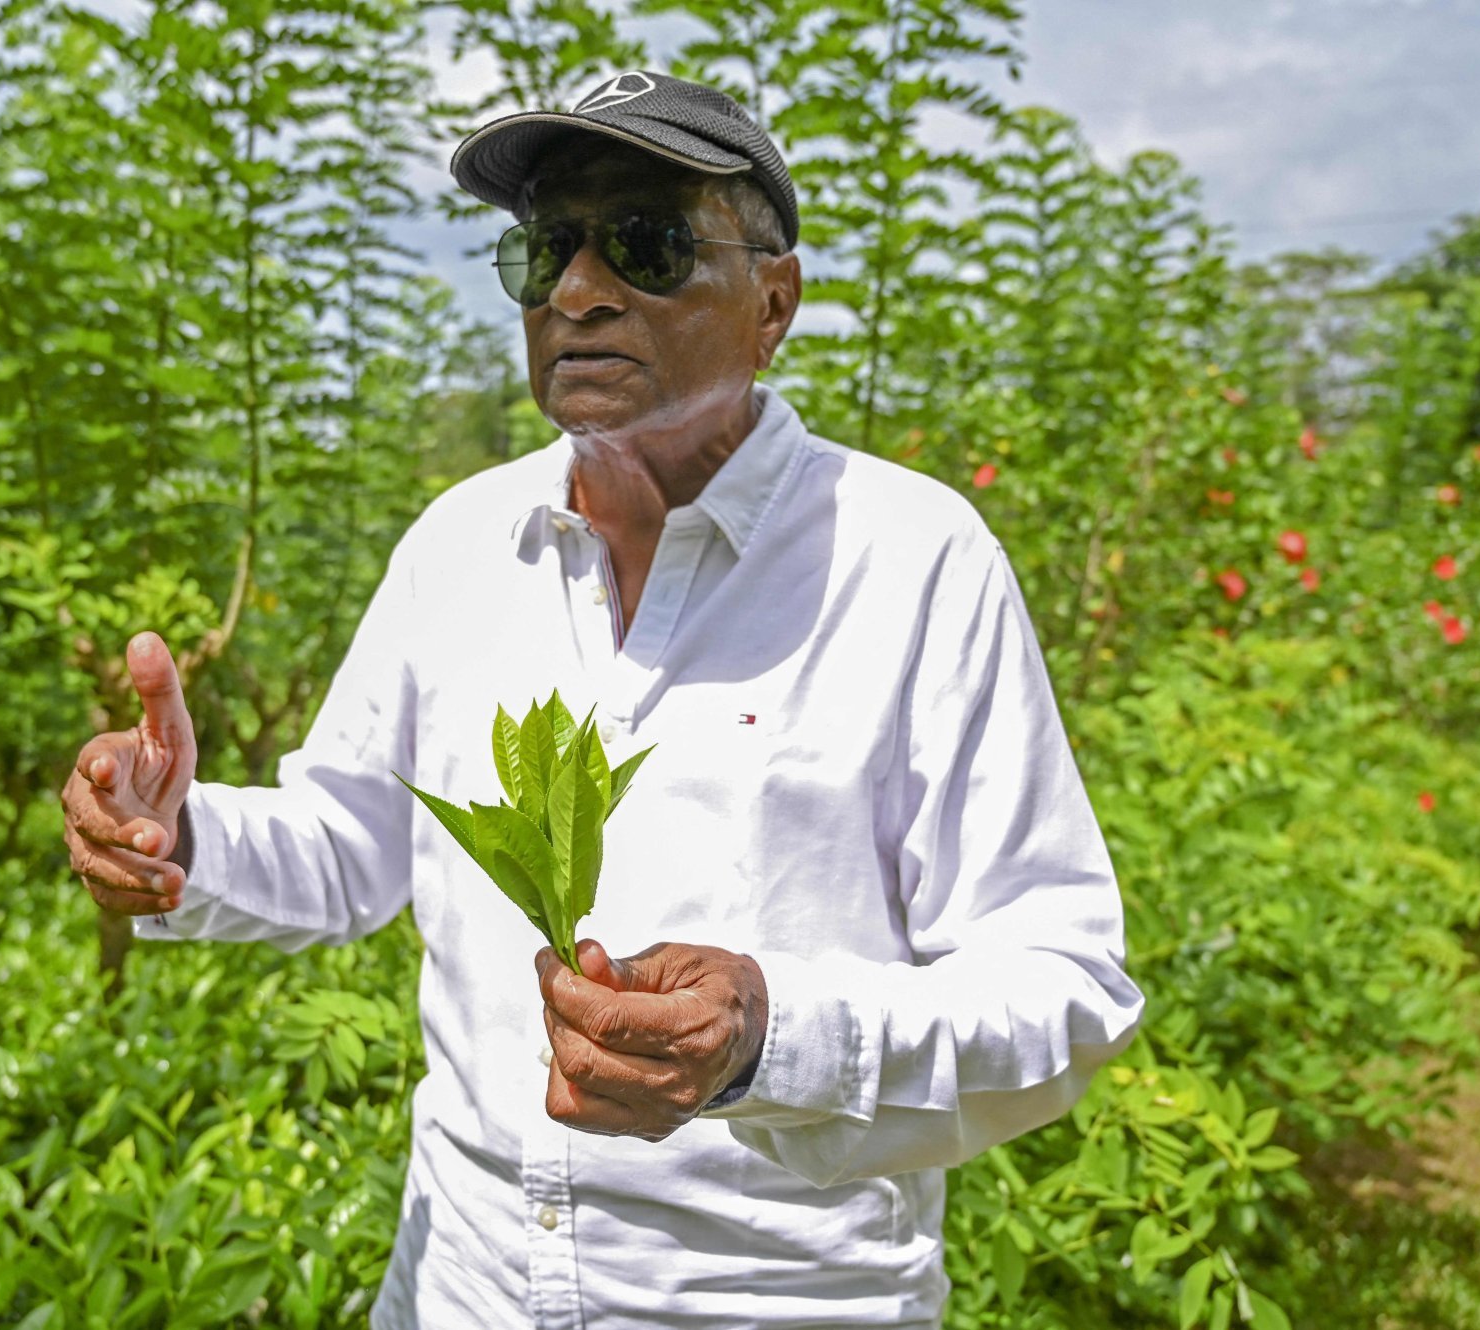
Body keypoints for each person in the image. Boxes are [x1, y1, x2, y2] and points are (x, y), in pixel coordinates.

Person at [60, 69, 1144, 1329]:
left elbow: (1064, 987)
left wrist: (766, 1039)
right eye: (545, 250)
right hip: (456, 1291)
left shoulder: (912, 560)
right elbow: (348, 844)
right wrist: (176, 835)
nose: (577, 289)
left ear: (773, 304)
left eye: (645, 241)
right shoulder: (458, 545)